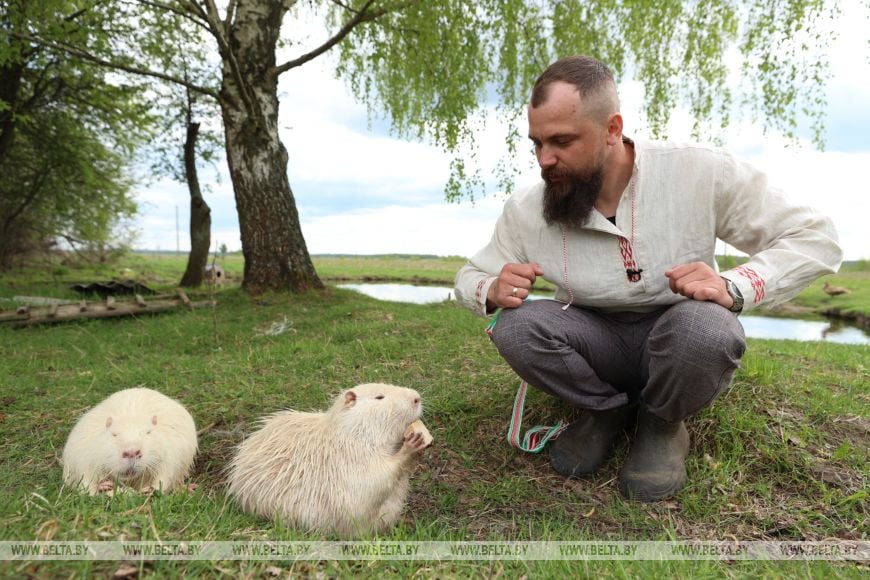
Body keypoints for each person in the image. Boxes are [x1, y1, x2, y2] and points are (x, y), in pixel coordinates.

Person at [454, 55, 842, 502]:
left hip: (677, 338)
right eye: (537, 143)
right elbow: (471, 275)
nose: (545, 160)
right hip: (594, 341)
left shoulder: (701, 171)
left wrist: (735, 285)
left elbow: (815, 237)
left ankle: (662, 424)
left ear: (612, 129)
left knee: (708, 328)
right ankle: (604, 411)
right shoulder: (528, 206)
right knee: (517, 327)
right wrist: (491, 288)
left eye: (561, 141)